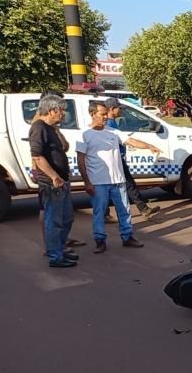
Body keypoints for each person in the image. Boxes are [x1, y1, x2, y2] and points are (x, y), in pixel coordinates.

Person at [77, 102, 144, 253]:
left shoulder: (113, 132)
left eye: (106, 114)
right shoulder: (84, 134)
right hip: (98, 182)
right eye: (102, 114)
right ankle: (100, 240)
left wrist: (149, 146)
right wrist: (87, 182)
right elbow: (80, 160)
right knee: (99, 212)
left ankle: (127, 236)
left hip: (118, 181)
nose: (106, 117)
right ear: (92, 114)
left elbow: (131, 141)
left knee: (124, 210)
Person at [31, 94, 77, 268]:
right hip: (52, 183)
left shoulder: (51, 128)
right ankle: (55, 256)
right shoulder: (39, 128)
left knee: (67, 218)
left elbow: (63, 148)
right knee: (54, 220)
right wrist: (53, 176)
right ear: (52, 111)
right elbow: (37, 156)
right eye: (61, 111)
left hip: (61, 181)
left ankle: (60, 249)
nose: (63, 114)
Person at [103, 98, 162, 218]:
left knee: (127, 185)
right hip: (115, 161)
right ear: (112, 109)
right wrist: (149, 146)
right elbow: (130, 141)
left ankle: (142, 208)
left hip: (117, 160)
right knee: (119, 187)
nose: (121, 111)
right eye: (119, 108)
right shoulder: (109, 125)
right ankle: (107, 214)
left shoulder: (112, 123)